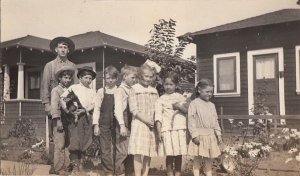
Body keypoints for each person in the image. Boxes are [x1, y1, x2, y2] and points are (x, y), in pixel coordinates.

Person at [60, 66, 96, 175]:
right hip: (75, 117)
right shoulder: (74, 87)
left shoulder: (92, 91)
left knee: (86, 140)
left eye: (90, 78)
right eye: (86, 77)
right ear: (80, 78)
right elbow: (63, 98)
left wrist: (85, 110)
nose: (88, 80)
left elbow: (94, 104)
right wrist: (67, 111)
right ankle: (75, 166)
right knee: (75, 140)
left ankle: (81, 165)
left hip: (86, 116)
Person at [41, 37, 76, 144]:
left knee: (69, 135)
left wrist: (73, 105)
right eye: (60, 47)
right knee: (56, 135)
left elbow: (75, 87)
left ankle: (68, 159)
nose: (63, 49)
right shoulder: (50, 66)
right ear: (56, 49)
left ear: (68, 50)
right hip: (54, 105)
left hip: (68, 105)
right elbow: (45, 86)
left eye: (65, 47)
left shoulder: (73, 66)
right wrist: (47, 104)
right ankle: (54, 159)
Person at [155, 71, 189, 176]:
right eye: (166, 84)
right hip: (167, 130)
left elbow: (188, 111)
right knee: (169, 154)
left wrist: (179, 106)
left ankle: (178, 173)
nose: (168, 87)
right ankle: (169, 173)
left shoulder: (181, 97)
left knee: (178, 154)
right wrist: (159, 131)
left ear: (176, 85)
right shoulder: (160, 99)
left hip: (179, 129)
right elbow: (158, 117)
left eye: (171, 84)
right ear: (163, 84)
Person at [128, 64, 159, 176]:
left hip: (151, 124)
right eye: (146, 76)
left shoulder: (154, 90)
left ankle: (145, 174)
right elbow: (134, 109)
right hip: (140, 123)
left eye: (150, 77)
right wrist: (146, 120)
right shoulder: (134, 89)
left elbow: (157, 107)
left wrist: (155, 121)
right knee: (138, 151)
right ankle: (137, 174)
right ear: (140, 76)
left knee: (148, 151)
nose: (148, 79)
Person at [187, 78, 222, 176]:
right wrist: (194, 135)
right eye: (207, 91)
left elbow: (215, 121)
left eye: (211, 92)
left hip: (210, 136)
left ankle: (208, 174)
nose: (209, 94)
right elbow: (191, 120)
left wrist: (218, 134)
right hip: (199, 135)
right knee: (197, 159)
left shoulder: (212, 105)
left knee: (208, 159)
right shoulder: (194, 103)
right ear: (199, 90)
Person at [93, 65, 119, 176]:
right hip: (104, 122)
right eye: (108, 78)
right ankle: (108, 171)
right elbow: (97, 108)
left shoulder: (119, 91)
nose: (110, 80)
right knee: (105, 147)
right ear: (104, 79)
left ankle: (118, 170)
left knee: (118, 147)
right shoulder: (101, 91)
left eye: (112, 78)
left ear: (116, 78)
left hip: (117, 122)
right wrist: (96, 124)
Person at [50, 65, 76, 175]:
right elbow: (54, 106)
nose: (68, 80)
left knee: (67, 144)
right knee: (59, 144)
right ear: (60, 78)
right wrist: (58, 121)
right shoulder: (56, 90)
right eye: (65, 77)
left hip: (68, 121)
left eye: (69, 78)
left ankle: (66, 166)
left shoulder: (70, 90)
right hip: (59, 120)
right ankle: (57, 168)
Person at [114, 65, 137, 175]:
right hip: (122, 124)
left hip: (131, 124)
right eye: (132, 77)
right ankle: (117, 172)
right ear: (125, 76)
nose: (134, 80)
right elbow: (118, 110)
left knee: (130, 151)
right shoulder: (120, 90)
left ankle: (129, 173)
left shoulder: (131, 89)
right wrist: (122, 125)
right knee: (122, 151)